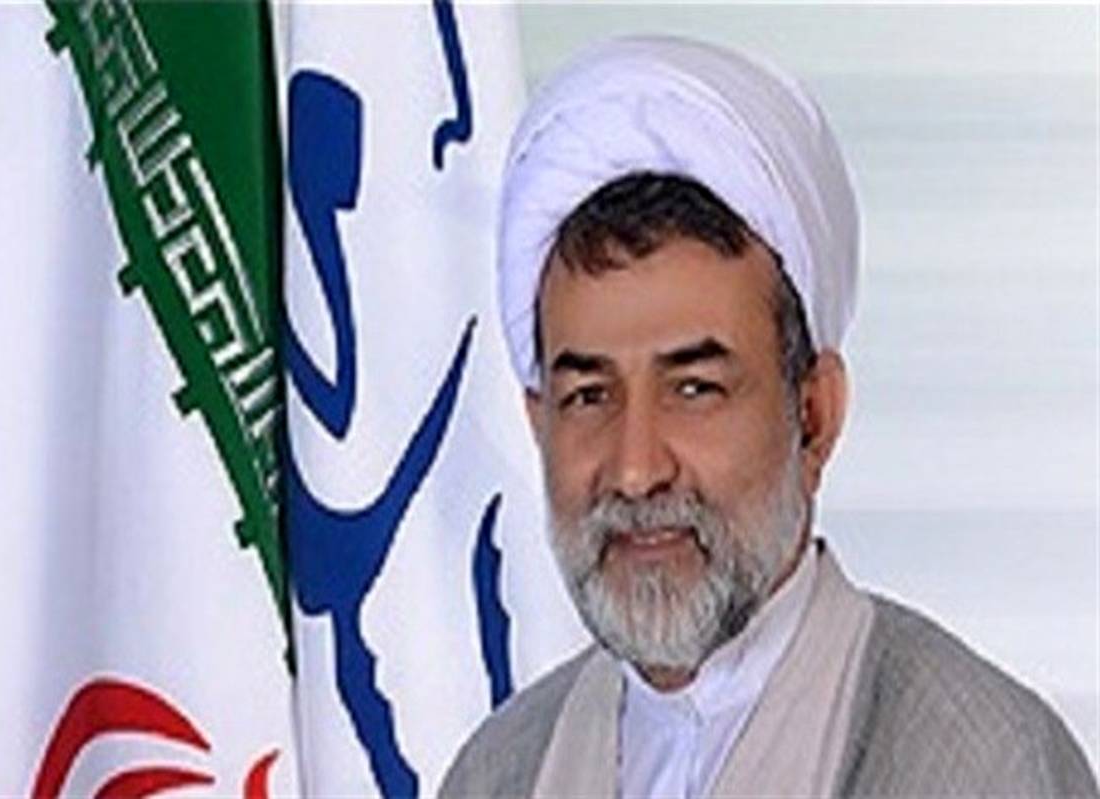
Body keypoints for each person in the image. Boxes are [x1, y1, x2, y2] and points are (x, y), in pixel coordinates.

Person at [439, 36, 1098, 797]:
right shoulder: (499, 773)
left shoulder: (986, 765)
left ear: (813, 416)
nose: (635, 468)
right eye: (590, 395)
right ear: (538, 425)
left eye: (694, 389)